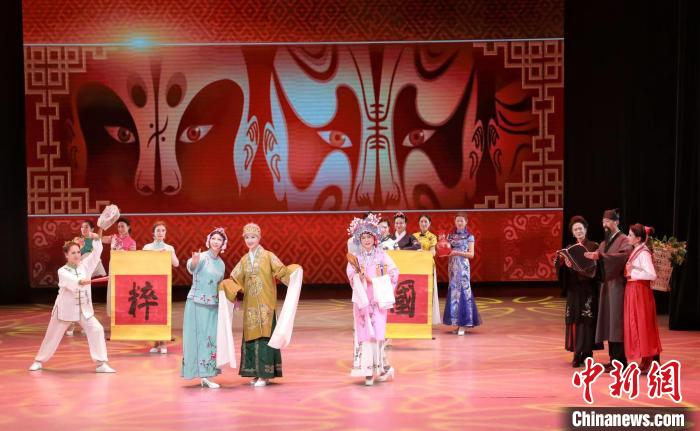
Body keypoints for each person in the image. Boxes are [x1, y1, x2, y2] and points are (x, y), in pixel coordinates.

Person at [218, 223, 301, 387]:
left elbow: (282, 272)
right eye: (247, 237)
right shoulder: (244, 260)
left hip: (266, 304)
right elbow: (235, 279)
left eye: (253, 237)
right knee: (252, 338)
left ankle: (265, 374)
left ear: (259, 238)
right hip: (250, 306)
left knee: (265, 338)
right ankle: (255, 373)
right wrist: (226, 286)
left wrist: (294, 271)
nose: (250, 240)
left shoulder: (268, 256)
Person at [28, 230, 116, 373]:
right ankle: (39, 360)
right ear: (66, 255)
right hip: (64, 310)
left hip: (84, 310)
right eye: (73, 253)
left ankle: (101, 363)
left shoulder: (85, 265)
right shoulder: (62, 271)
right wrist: (83, 281)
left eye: (78, 252)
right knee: (52, 336)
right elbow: (74, 282)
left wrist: (96, 239)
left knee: (97, 329)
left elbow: (96, 254)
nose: (77, 255)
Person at [346, 213, 399, 385]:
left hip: (377, 300)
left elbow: (394, 273)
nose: (366, 240)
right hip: (363, 302)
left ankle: (380, 368)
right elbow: (350, 275)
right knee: (365, 335)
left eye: (369, 237)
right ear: (359, 240)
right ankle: (370, 371)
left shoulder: (382, 256)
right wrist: (358, 276)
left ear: (375, 238)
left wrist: (375, 281)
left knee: (377, 334)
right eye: (363, 237)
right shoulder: (357, 258)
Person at [584, 208, 633, 371]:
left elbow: (623, 256)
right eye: (603, 221)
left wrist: (600, 256)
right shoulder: (604, 243)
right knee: (609, 322)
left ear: (616, 222)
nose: (604, 224)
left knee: (616, 322)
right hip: (606, 286)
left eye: (607, 221)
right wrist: (590, 258)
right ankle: (613, 359)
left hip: (618, 286)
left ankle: (620, 361)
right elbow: (597, 259)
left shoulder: (624, 239)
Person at [181, 227, 227, 388]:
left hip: (213, 305)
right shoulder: (201, 257)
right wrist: (194, 262)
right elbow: (192, 267)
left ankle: (207, 373)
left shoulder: (221, 264)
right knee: (197, 338)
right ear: (209, 241)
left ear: (223, 244)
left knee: (210, 339)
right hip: (196, 303)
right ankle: (202, 375)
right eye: (213, 238)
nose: (216, 242)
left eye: (219, 239)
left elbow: (219, 285)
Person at [555, 216, 603, 367]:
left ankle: (587, 354)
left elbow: (598, 269)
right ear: (572, 232)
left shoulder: (594, 246)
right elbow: (563, 272)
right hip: (574, 289)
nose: (578, 231)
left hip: (588, 289)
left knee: (587, 320)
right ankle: (577, 353)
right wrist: (563, 263)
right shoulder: (570, 248)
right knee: (575, 320)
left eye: (580, 229)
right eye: (575, 229)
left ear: (585, 230)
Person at [624, 224, 662, 372]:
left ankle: (650, 360)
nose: (627, 237)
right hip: (634, 290)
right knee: (638, 324)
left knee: (643, 324)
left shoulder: (643, 253)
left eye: (630, 235)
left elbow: (652, 274)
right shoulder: (637, 250)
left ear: (638, 238)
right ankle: (646, 359)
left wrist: (633, 273)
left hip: (640, 291)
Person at [143, 221, 179, 354]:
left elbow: (176, 264)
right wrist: (153, 254)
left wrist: (168, 254)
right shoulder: (147, 247)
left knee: (163, 314)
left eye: (163, 231)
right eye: (158, 230)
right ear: (153, 233)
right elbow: (142, 263)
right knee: (152, 313)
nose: (160, 233)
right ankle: (155, 342)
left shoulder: (169, 248)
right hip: (150, 285)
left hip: (163, 284)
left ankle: (163, 342)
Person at [66, 220, 107, 337]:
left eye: (86, 227)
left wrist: (100, 231)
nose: (84, 229)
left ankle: (87, 324)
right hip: (75, 270)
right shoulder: (76, 240)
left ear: (92, 229)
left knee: (85, 300)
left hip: (87, 267)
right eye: (82, 227)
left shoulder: (93, 240)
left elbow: (98, 247)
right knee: (73, 299)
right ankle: (71, 323)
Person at [443, 212, 481, 335]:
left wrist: (457, 252)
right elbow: (446, 250)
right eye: (457, 220)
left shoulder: (469, 237)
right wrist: (441, 242)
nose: (459, 223)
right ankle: (458, 324)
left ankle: (464, 324)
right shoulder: (450, 236)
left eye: (461, 220)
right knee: (454, 293)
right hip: (452, 267)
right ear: (455, 222)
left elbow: (471, 254)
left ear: (466, 222)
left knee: (464, 292)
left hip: (463, 267)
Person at [104, 217, 137, 317]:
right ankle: (113, 312)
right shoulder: (114, 237)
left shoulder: (132, 242)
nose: (120, 229)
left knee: (123, 290)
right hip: (113, 266)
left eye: (122, 226)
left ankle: (124, 312)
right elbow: (99, 239)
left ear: (128, 227)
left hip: (124, 268)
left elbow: (133, 259)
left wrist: (124, 254)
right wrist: (102, 226)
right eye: (118, 227)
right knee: (112, 288)